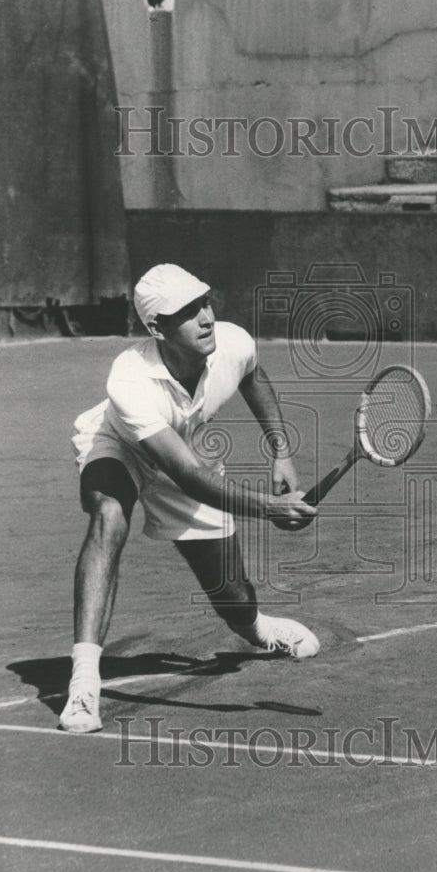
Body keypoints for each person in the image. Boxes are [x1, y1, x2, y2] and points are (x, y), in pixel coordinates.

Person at [60, 263, 319, 733]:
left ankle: (260, 630)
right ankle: (83, 685)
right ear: (157, 328)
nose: (205, 317)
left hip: (185, 454)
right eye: (187, 311)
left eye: (205, 302)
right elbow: (191, 475)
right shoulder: (129, 379)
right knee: (109, 514)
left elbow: (252, 377)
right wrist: (270, 507)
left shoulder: (232, 341)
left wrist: (281, 451)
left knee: (235, 601)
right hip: (121, 447)